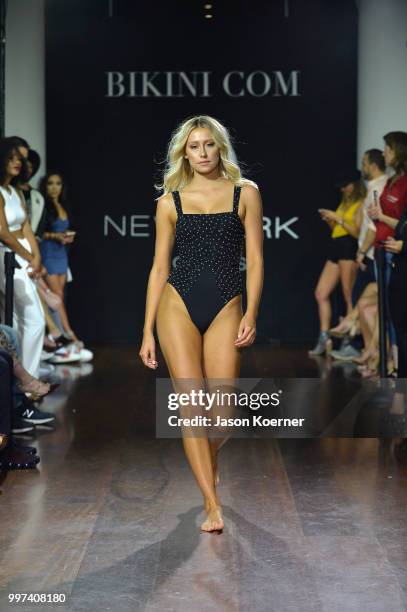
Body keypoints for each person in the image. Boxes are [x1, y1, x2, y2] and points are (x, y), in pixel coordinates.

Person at [139, 115, 264, 533]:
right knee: (192, 410)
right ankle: (212, 504)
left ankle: (210, 463)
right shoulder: (168, 201)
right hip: (177, 305)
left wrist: (251, 312)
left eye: (209, 145)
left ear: (220, 147)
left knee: (223, 417)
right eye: (195, 146)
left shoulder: (244, 193)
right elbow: (158, 268)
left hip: (227, 303)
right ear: (184, 152)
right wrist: (145, 332)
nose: (203, 153)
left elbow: (257, 260)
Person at [0, 139, 46, 377]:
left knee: (18, 322)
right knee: (35, 320)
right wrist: (29, 256)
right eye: (11, 158)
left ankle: (19, 381)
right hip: (8, 256)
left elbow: (27, 225)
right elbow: (3, 232)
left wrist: (37, 257)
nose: (17, 163)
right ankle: (28, 382)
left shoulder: (14, 191)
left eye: (20, 159)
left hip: (24, 254)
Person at [309, 171, 366, 355]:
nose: (343, 189)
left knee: (348, 294)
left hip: (349, 248)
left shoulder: (361, 203)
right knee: (320, 292)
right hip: (336, 246)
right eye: (341, 186)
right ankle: (324, 337)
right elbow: (338, 229)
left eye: (346, 185)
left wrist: (338, 218)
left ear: (355, 184)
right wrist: (330, 221)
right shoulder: (345, 202)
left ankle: (350, 342)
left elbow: (357, 232)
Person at [39, 171, 80, 344]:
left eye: (58, 183)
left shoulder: (64, 205)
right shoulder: (43, 206)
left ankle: (59, 336)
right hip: (47, 252)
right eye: (50, 183)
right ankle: (68, 334)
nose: (54, 187)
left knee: (59, 296)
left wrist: (67, 237)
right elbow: (38, 232)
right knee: (56, 295)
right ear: (45, 186)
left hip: (61, 254)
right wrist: (54, 236)